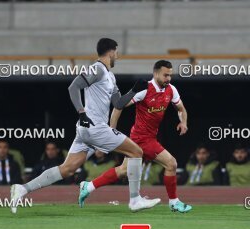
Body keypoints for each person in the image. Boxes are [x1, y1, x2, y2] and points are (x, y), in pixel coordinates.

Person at [10, 38, 160, 213]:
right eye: (116, 52)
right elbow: (73, 87)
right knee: (136, 152)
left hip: (87, 130)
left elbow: (118, 103)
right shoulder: (96, 69)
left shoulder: (110, 76)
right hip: (94, 127)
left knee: (67, 169)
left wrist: (134, 91)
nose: (117, 56)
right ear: (110, 51)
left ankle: (22, 189)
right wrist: (81, 112)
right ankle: (135, 200)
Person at [77, 60, 192, 213]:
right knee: (171, 164)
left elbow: (181, 109)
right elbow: (119, 106)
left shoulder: (171, 90)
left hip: (148, 137)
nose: (168, 78)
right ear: (156, 73)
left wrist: (183, 122)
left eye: (170, 75)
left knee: (124, 170)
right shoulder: (144, 89)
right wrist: (111, 130)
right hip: (141, 139)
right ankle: (174, 202)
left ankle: (88, 186)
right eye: (165, 75)